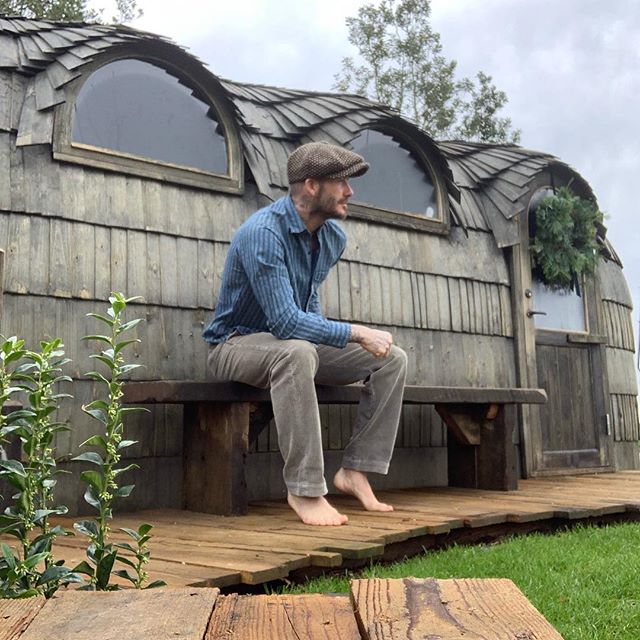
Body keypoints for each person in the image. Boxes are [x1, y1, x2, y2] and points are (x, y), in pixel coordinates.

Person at [203, 141, 407, 526]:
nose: (350, 192)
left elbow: (306, 304)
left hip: (291, 344)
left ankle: (355, 471)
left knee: (391, 360)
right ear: (312, 186)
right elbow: (284, 322)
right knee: (296, 352)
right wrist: (356, 331)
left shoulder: (332, 238)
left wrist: (339, 339)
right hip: (234, 344)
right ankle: (305, 489)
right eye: (342, 182)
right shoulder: (263, 233)